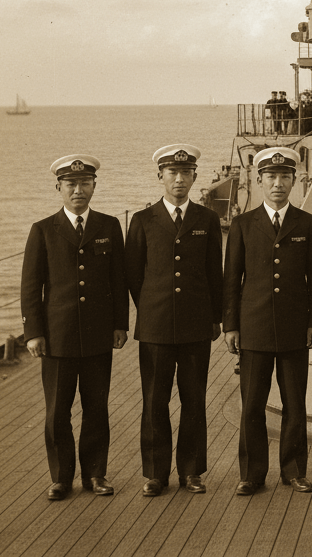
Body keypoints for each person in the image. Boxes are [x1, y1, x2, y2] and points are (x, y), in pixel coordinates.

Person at [21, 155, 129, 500]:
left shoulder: (109, 226)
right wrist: (33, 332)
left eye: (85, 184)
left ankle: (96, 475)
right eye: (71, 184)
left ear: (94, 186)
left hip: (98, 336)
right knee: (57, 412)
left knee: (97, 408)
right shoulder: (43, 230)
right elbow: (30, 285)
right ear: (59, 188)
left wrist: (119, 325)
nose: (78, 190)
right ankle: (61, 478)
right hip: (58, 336)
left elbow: (118, 280)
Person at [224, 147, 312, 495]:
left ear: (294, 180)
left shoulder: (307, 224)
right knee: (252, 405)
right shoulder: (243, 225)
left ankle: (294, 471)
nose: (278, 183)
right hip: (254, 329)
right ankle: (251, 474)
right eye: (271, 177)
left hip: (296, 329)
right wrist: (231, 325)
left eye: (284, 177)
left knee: (295, 404)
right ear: (260, 181)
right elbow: (231, 279)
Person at [125, 145, 223, 497]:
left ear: (194, 177)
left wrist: (216, 318)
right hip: (156, 326)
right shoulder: (142, 220)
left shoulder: (207, 219)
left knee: (194, 399)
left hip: (197, 325)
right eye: (172, 173)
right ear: (160, 176)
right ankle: (155, 473)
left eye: (185, 173)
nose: (179, 179)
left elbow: (215, 273)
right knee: (155, 400)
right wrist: (152, 309)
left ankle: (192, 471)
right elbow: (134, 276)